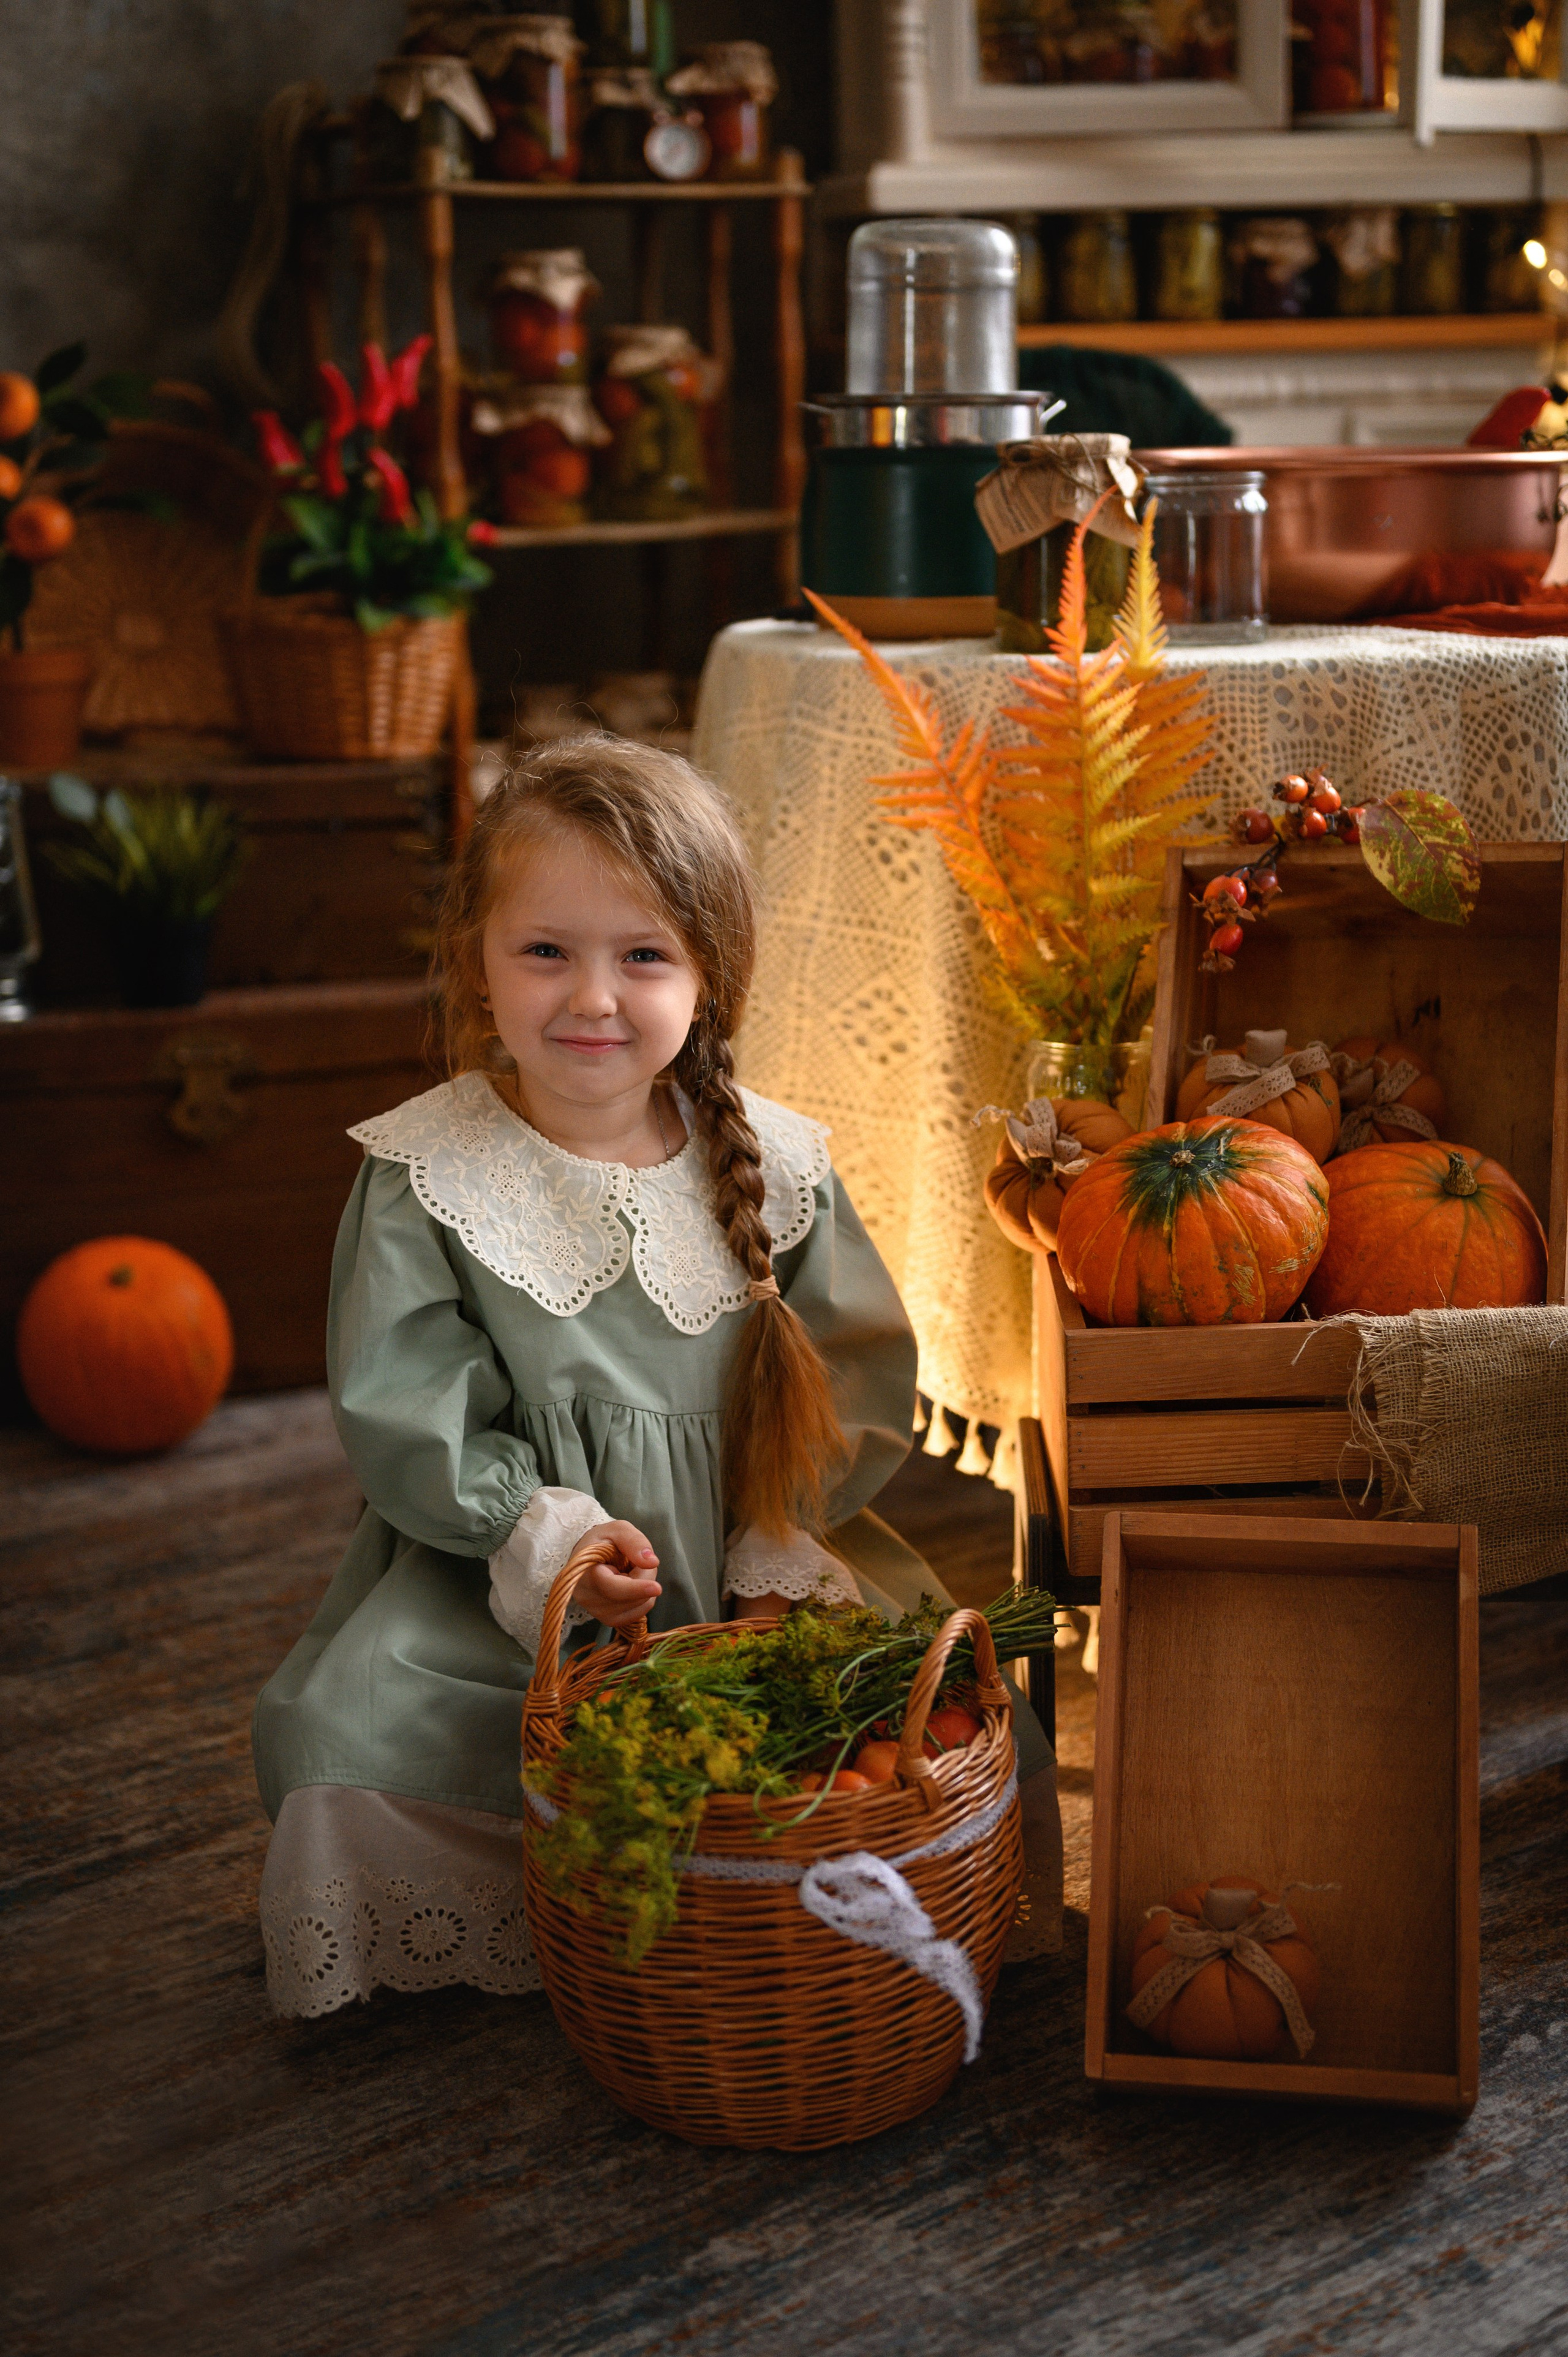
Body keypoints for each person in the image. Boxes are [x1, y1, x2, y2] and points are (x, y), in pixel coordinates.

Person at [252, 736, 1060, 2017]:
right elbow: (411, 1406)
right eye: (545, 951)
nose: (591, 998)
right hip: (514, 1596)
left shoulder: (778, 1165)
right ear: (477, 956)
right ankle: (583, 1921)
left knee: (950, 1724)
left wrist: (775, 1553)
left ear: (708, 975)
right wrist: (550, 1544)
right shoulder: (427, 1172)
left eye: (642, 956)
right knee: (345, 1738)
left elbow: (848, 1382)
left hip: (759, 1561)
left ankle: (780, 1928)